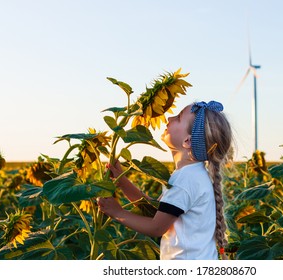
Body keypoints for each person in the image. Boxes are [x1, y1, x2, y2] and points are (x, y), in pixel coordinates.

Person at [97, 101, 233, 260]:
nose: (170, 117)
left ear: (188, 141)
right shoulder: (191, 174)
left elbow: (156, 227)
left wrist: (118, 212)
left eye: (179, 117)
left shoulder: (186, 179)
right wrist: (123, 182)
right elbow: (157, 211)